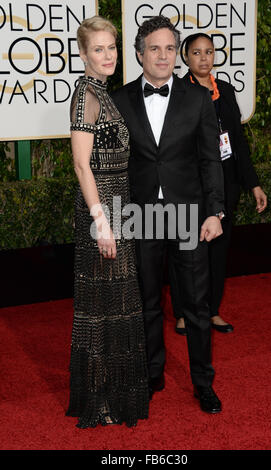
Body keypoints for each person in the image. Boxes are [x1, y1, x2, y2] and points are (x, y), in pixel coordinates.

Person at [112, 16, 225, 414]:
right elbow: (112, 166)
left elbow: (211, 159)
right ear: (140, 53)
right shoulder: (121, 99)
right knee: (145, 302)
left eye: (169, 48)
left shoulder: (197, 98)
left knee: (194, 304)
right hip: (141, 214)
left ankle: (202, 382)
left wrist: (215, 212)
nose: (163, 55)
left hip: (190, 214)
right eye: (154, 48)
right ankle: (151, 374)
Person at [66, 15, 149, 428]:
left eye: (111, 48)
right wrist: (101, 222)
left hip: (119, 204)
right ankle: (99, 401)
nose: (107, 55)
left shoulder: (104, 93)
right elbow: (82, 166)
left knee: (117, 303)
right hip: (102, 210)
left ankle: (112, 395)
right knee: (102, 307)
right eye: (97, 49)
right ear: (82, 54)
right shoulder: (85, 96)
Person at [172, 33, 267, 335]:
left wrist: (253, 184)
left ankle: (211, 311)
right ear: (185, 57)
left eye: (209, 52)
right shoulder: (177, 92)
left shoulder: (224, 90)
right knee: (186, 250)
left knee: (218, 251)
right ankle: (185, 312)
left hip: (225, 183)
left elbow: (237, 141)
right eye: (196, 52)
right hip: (190, 184)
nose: (203, 58)